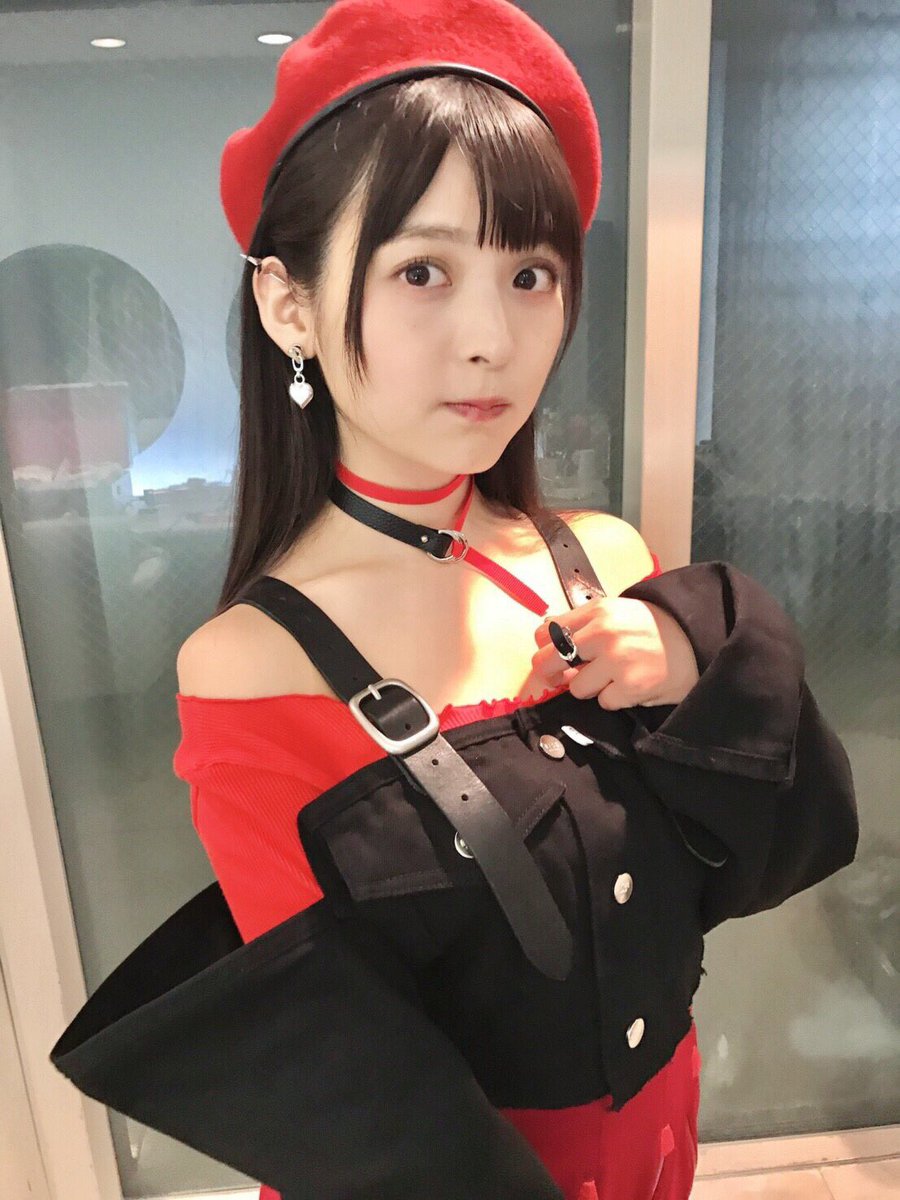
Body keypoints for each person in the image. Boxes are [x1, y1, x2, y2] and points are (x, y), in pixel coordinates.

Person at [49, 3, 859, 1199]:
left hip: (661, 1146)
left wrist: (700, 661)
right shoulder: (254, 660)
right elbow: (349, 1082)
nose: (493, 338)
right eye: (422, 270)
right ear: (288, 304)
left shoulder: (602, 560)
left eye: (530, 273)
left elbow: (770, 855)